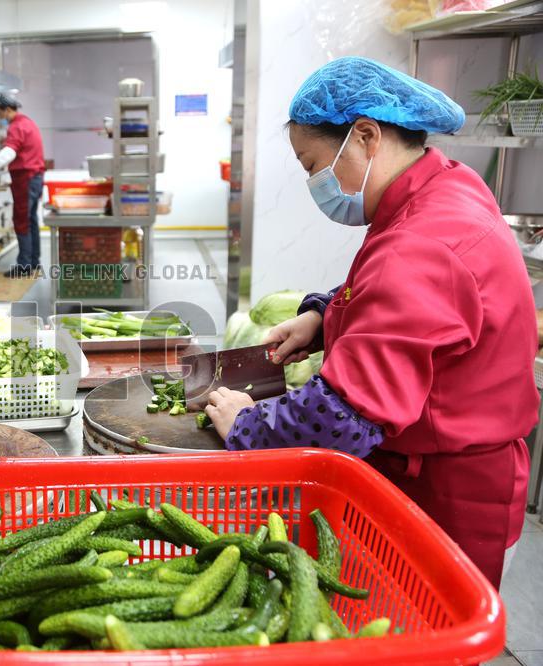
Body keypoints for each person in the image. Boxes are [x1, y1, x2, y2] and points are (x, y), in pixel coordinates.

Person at [204, 56, 538, 589]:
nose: (314, 181)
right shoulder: (444, 187)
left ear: (365, 136)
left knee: (422, 627)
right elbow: (404, 303)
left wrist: (247, 423)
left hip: (445, 490)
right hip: (443, 460)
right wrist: (320, 314)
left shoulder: (421, 245)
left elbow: (339, 417)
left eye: (312, 164)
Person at [0, 94, 46, 278]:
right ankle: (33, 262)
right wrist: (6, 141)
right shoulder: (27, 123)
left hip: (26, 179)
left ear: (7, 109)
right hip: (35, 178)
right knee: (31, 220)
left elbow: (9, 154)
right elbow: (17, 148)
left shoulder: (16, 126)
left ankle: (24, 266)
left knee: (22, 221)